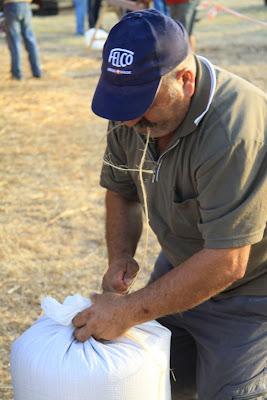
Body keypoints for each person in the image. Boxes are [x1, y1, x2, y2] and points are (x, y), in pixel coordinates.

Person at [73, 9, 267, 400]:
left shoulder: (234, 131)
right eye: (122, 103)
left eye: (142, 104)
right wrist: (120, 256)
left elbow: (227, 262)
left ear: (186, 80)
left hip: (250, 293)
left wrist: (127, 311)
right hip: (180, 267)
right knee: (163, 382)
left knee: (229, 394)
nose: (129, 122)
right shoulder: (131, 110)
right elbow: (122, 189)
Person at [3, 0, 41, 80]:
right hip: (26, 5)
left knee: (15, 41)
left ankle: (17, 73)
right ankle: (37, 71)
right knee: (30, 39)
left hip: (11, 5)